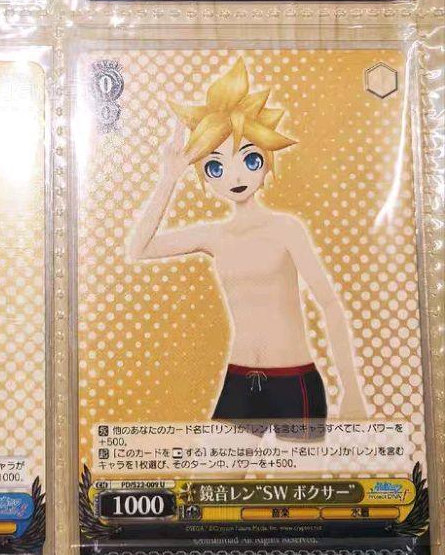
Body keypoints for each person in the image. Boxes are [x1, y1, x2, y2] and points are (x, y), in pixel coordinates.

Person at [126, 58, 369, 437]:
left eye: (250, 159)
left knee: (301, 479)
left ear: (266, 161)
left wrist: (351, 389)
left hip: (295, 381)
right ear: (205, 176)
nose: (235, 176)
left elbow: (329, 304)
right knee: (215, 475)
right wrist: (169, 178)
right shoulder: (214, 235)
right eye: (216, 167)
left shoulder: (286, 228)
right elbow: (139, 249)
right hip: (240, 380)